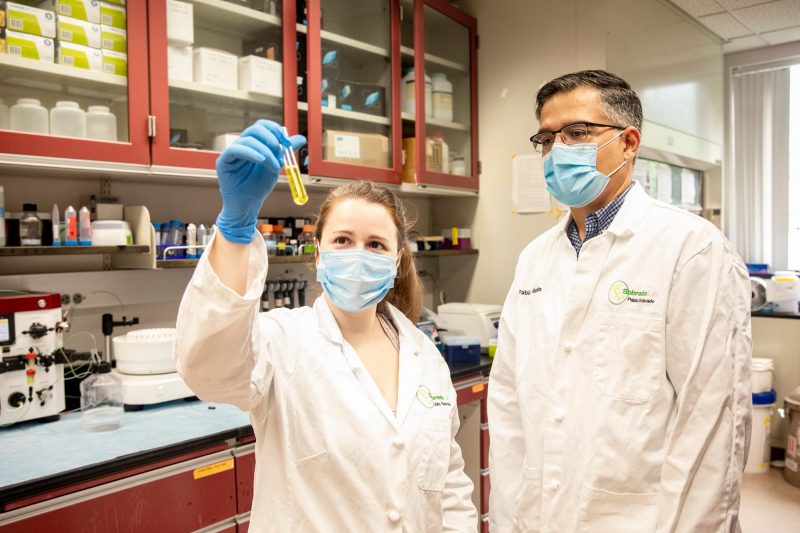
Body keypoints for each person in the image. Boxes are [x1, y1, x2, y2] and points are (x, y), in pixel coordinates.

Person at [174, 120, 477, 532]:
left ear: (396, 261)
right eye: (342, 240)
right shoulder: (281, 343)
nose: (358, 254)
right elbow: (208, 369)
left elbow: (450, 484)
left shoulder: (425, 358)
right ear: (318, 255)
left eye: (375, 245)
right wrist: (235, 228)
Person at [488, 71, 752, 532]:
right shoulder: (533, 261)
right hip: (540, 517)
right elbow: (509, 406)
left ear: (628, 143)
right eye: (547, 139)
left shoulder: (691, 249)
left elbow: (711, 422)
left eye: (577, 132)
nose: (557, 150)